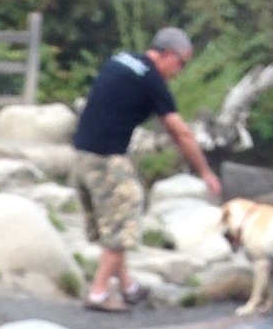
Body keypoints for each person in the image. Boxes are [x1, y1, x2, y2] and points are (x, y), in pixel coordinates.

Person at [71, 27, 223, 312]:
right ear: (169, 54)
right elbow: (181, 133)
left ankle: (128, 286)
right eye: (182, 64)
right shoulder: (151, 81)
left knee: (116, 221)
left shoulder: (121, 60)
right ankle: (98, 294)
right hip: (105, 158)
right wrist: (205, 171)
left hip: (81, 154)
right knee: (124, 220)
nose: (180, 72)